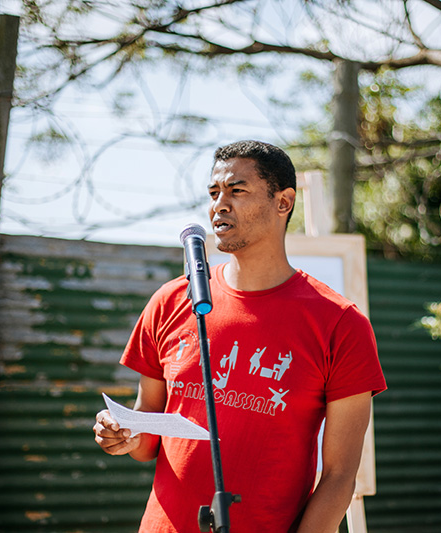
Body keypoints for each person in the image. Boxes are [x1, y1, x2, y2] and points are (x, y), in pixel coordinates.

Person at [93, 140, 386, 533]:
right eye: (214, 193)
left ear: (283, 203)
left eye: (236, 190)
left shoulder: (341, 324)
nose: (219, 205)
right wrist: (123, 434)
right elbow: (148, 436)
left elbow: (339, 474)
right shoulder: (170, 301)